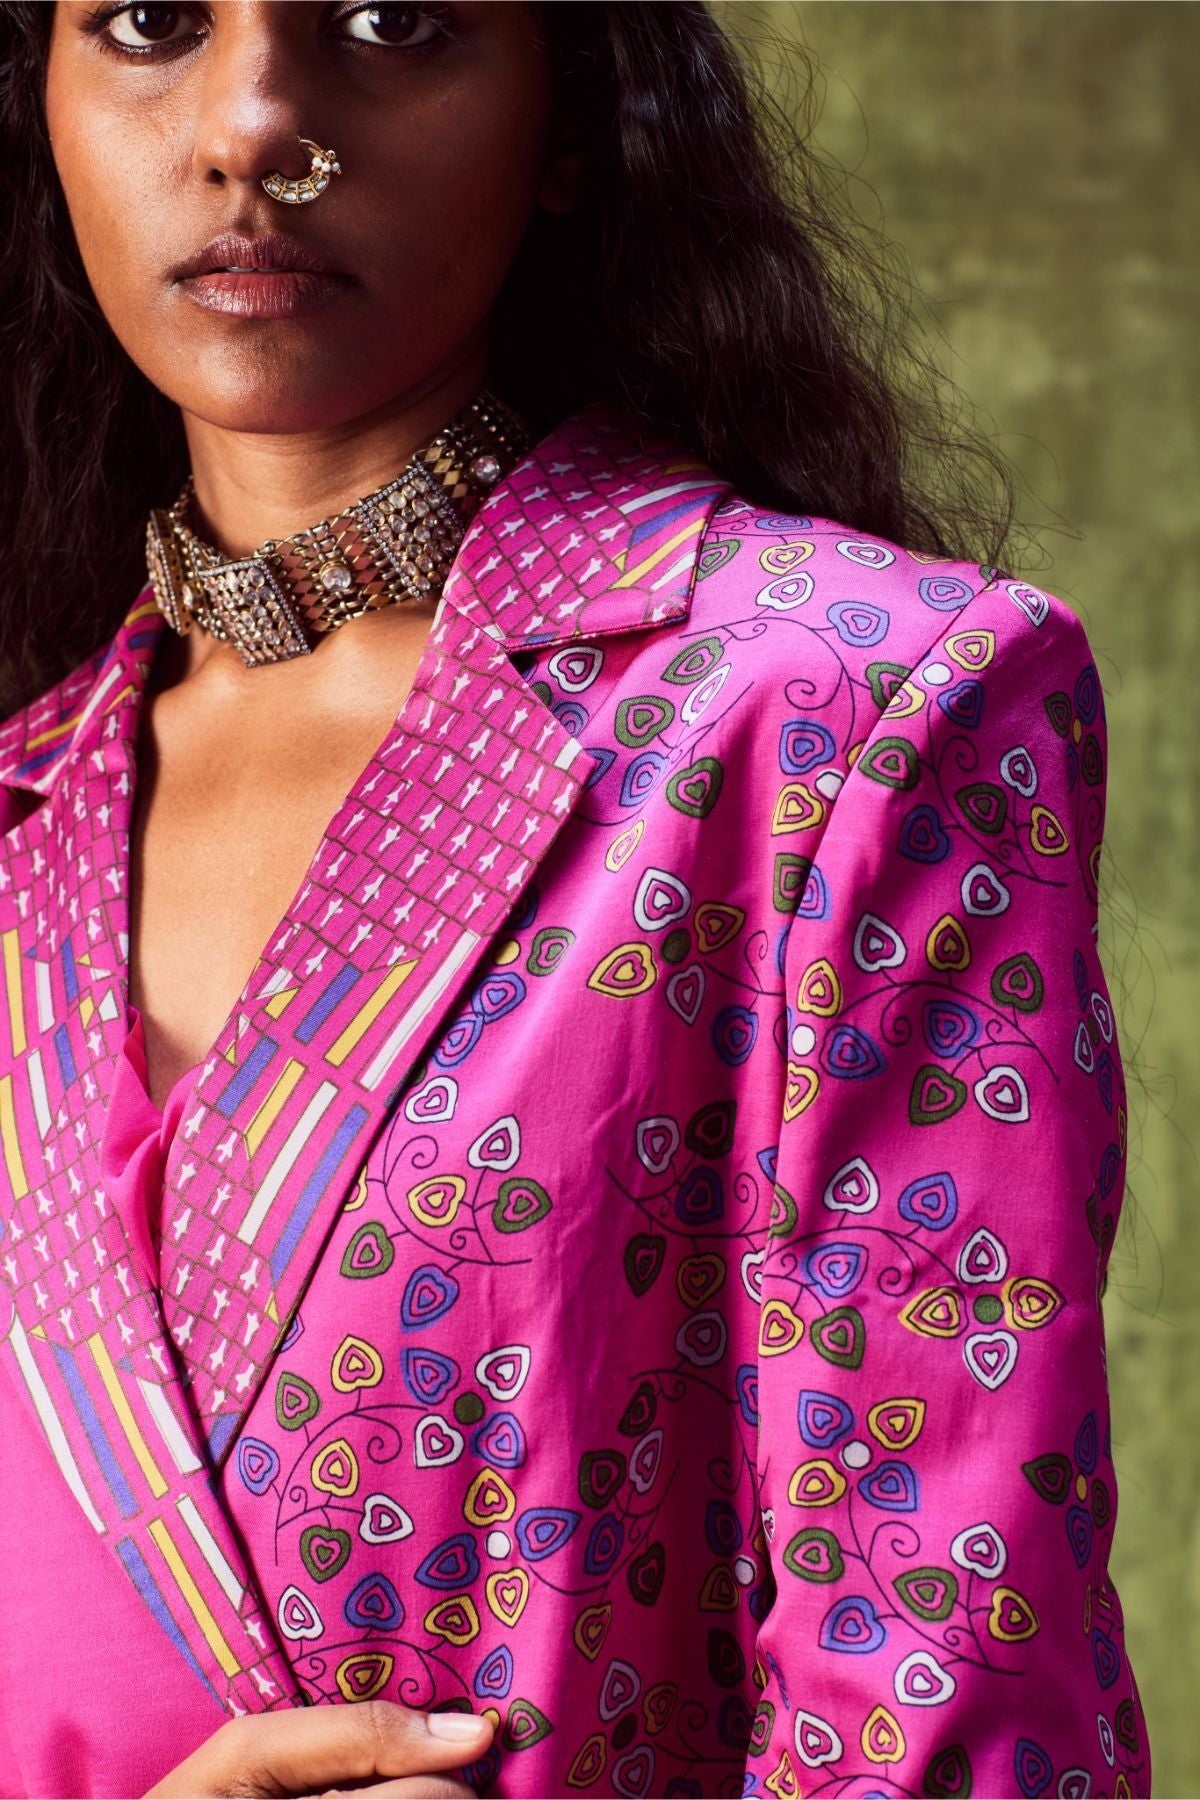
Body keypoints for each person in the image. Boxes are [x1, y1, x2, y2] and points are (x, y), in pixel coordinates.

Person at [0, 3, 1150, 1797]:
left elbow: (953, 1694)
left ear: (570, 120)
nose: (251, 129)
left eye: (390, 19)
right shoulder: (22, 815)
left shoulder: (838, 716)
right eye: (148, 19)